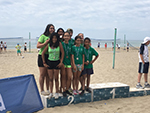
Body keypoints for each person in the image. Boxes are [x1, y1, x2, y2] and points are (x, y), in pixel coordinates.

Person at [42, 32, 64, 99]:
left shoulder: (59, 44)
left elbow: (63, 53)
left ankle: (56, 92)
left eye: (55, 38)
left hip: (56, 62)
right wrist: (44, 63)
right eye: (53, 38)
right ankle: (51, 92)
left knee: (56, 78)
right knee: (50, 79)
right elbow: (43, 53)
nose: (54, 39)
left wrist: (61, 62)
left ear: (57, 38)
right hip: (49, 62)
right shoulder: (49, 44)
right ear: (51, 38)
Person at [37, 24, 55, 95]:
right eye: (51, 28)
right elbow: (38, 46)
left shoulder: (53, 37)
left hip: (50, 56)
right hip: (42, 56)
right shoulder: (43, 36)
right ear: (47, 29)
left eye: (53, 28)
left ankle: (47, 89)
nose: (52, 30)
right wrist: (45, 43)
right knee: (42, 74)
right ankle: (41, 90)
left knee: (48, 74)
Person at [61, 31, 73, 96]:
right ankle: (63, 90)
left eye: (67, 36)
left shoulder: (71, 44)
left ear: (69, 37)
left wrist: (72, 63)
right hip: (63, 63)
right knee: (63, 77)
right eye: (65, 36)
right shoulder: (61, 44)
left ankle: (67, 89)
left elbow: (71, 55)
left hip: (69, 63)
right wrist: (61, 62)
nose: (66, 37)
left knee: (69, 77)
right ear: (63, 37)